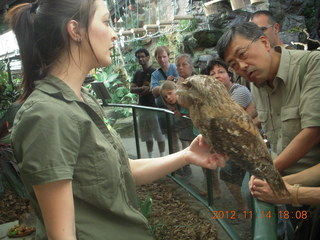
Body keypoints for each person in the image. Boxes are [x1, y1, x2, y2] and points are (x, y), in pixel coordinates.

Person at [6, 1, 228, 239]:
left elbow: (125, 170)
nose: (113, 35)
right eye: (105, 22)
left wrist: (186, 156)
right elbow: (62, 235)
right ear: (75, 30)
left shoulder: (84, 100)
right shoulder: (46, 115)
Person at [216, 22, 320, 177]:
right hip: (277, 170)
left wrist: (268, 172)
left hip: (308, 179)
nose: (242, 66)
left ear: (264, 43)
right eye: (233, 65)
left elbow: (314, 131)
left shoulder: (312, 64)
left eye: (242, 54)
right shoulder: (256, 83)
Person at [206, 58, 257, 210]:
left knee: (251, 184)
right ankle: (242, 207)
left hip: (248, 145)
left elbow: (227, 120)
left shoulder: (239, 91)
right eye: (212, 73)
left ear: (229, 74)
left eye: (221, 72)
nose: (217, 76)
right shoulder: (216, 96)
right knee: (227, 176)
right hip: (231, 146)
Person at [130, 48, 165, 158]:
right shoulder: (137, 73)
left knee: (159, 135)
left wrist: (141, 88)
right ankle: (150, 158)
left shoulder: (155, 72)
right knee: (146, 136)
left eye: (142, 56)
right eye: (138, 57)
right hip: (142, 108)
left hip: (154, 108)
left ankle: (162, 157)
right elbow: (131, 89)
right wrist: (143, 88)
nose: (140, 59)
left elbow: (151, 89)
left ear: (148, 57)